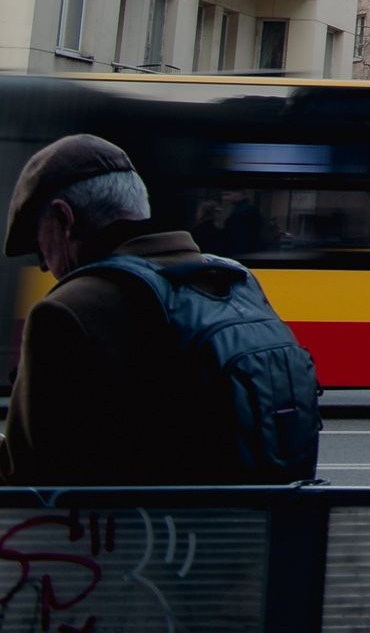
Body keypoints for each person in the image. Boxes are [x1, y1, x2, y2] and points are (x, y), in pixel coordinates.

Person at [3, 134, 316, 483]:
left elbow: (34, 481)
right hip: (251, 532)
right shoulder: (235, 280)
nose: (44, 265)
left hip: (144, 536)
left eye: (38, 241)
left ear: (64, 219)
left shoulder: (68, 311)